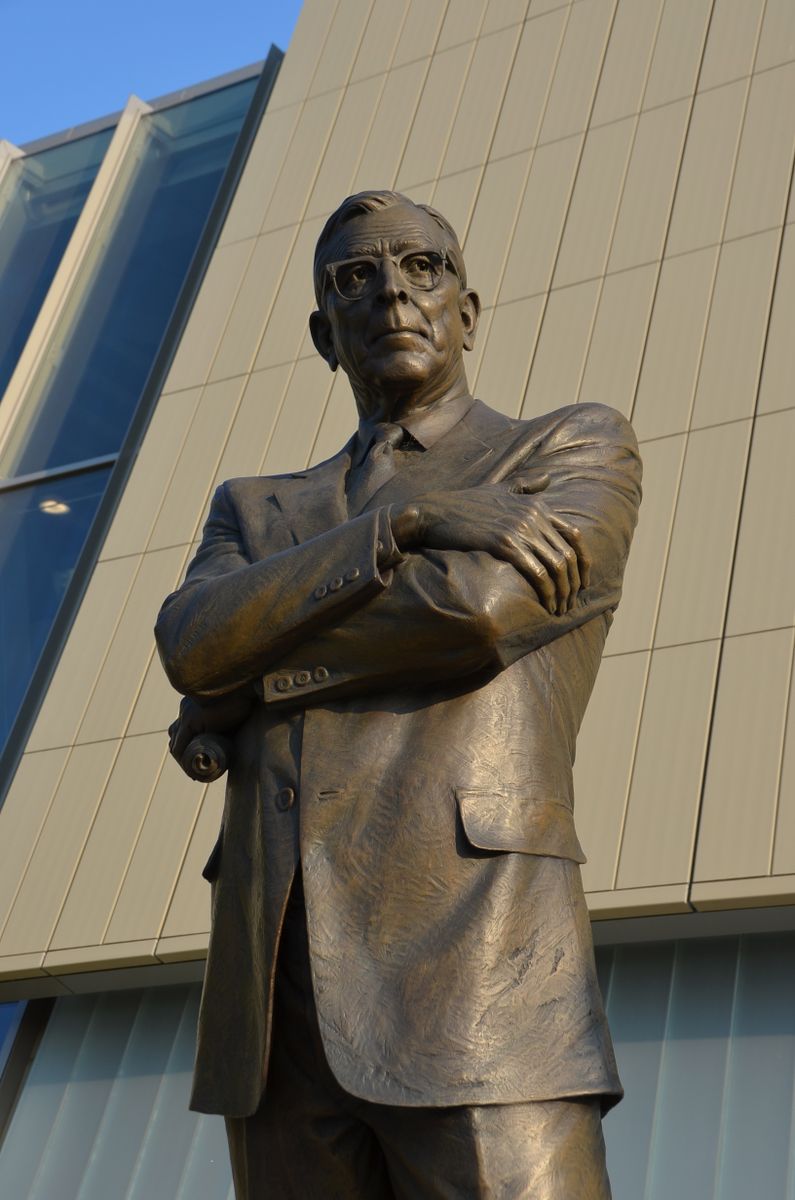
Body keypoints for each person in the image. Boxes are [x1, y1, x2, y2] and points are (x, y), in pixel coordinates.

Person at [156, 190, 642, 1199]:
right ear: (322, 334)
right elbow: (193, 644)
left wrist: (254, 680)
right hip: (275, 1013)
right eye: (355, 279)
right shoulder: (254, 509)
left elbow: (476, 612)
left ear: (469, 311)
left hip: (484, 987)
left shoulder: (565, 449)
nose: (392, 294)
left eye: (425, 268)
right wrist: (405, 525)